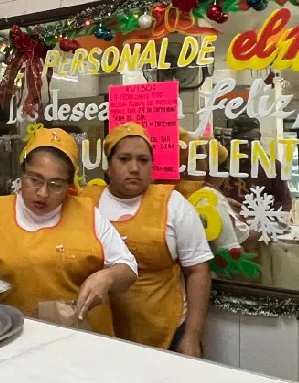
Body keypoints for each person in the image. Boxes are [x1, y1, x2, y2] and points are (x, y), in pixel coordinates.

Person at [0, 127, 137, 334]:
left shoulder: (89, 215)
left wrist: (108, 277)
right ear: (22, 173)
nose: (42, 193)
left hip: (78, 338)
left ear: (69, 184)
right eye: (34, 179)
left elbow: (128, 268)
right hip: (8, 335)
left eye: (56, 184)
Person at [82, 123, 212, 355]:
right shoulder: (87, 204)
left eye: (143, 160)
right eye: (124, 159)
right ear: (109, 167)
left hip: (167, 333)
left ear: (152, 166)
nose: (134, 168)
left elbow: (198, 271)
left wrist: (192, 337)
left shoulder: (173, 204)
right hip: (101, 334)